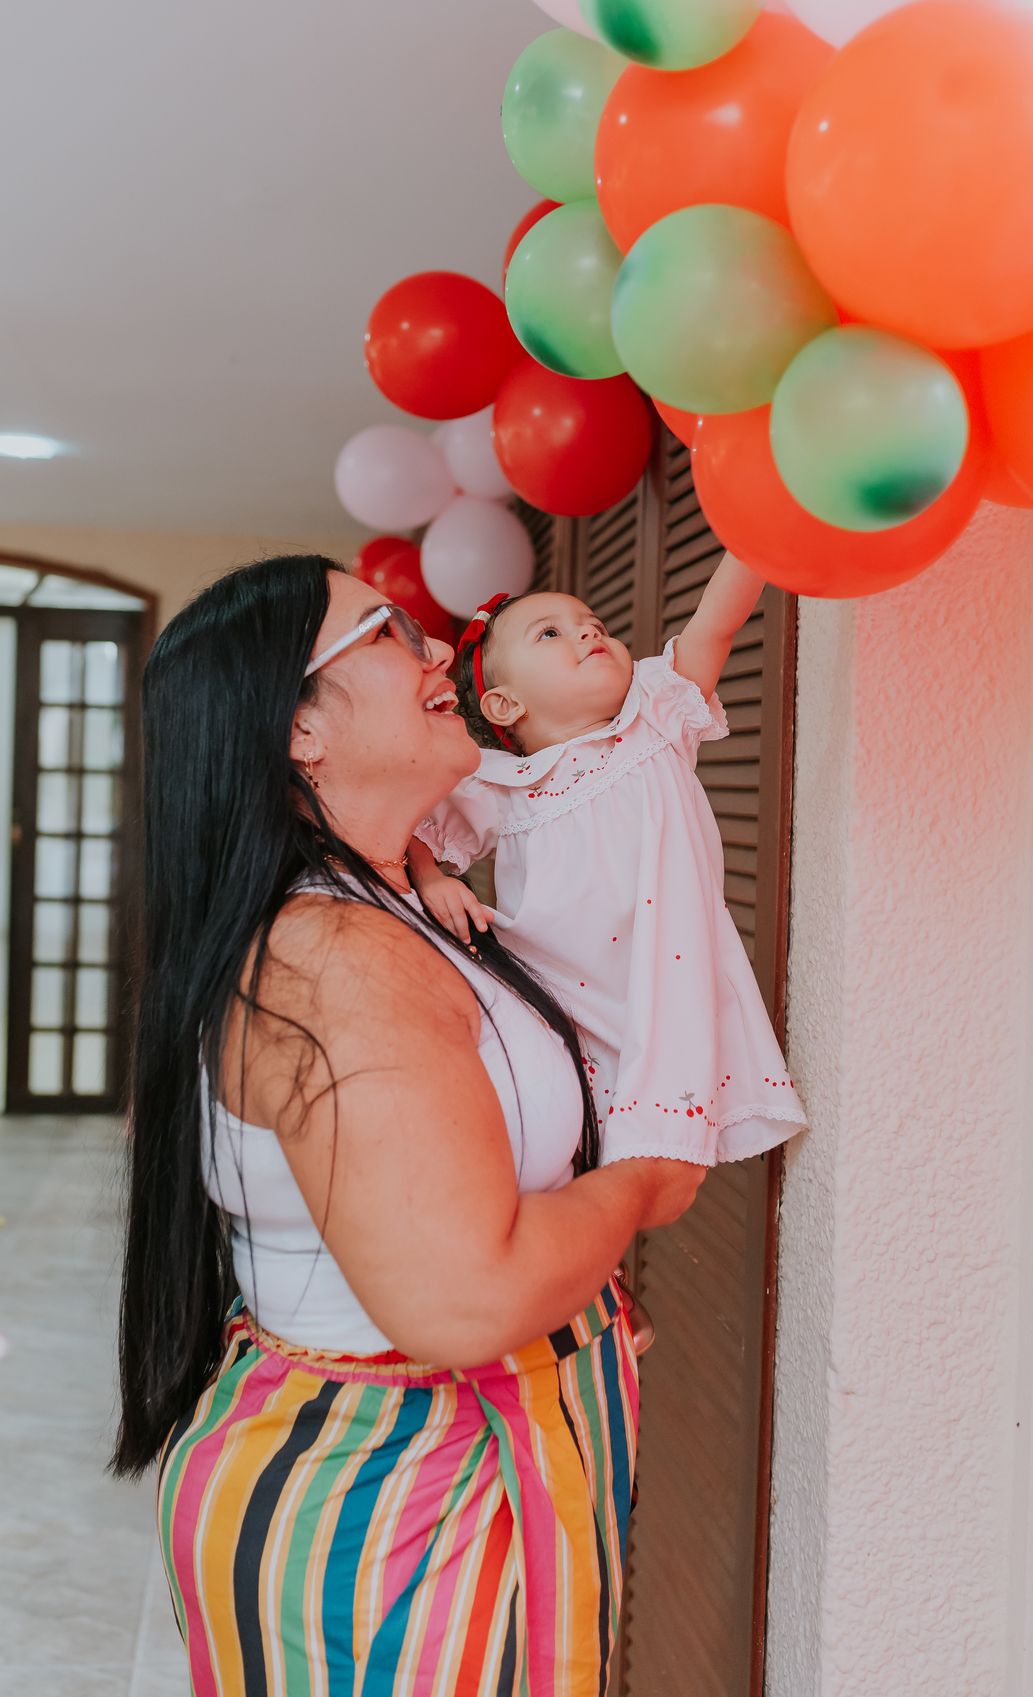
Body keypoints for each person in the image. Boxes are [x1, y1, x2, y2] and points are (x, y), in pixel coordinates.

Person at [113, 555, 702, 1697]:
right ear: (299, 729)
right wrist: (643, 1180)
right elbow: (461, 1301)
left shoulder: (396, 900)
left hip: (415, 1483)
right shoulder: (335, 958)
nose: (438, 650)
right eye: (388, 632)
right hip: (385, 1517)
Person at [407, 556, 808, 1168]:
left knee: (653, 1155)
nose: (588, 632)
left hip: (663, 984)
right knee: (565, 1147)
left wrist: (753, 542)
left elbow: (714, 627)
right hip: (558, 999)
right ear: (504, 705)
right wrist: (430, 878)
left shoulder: (656, 719)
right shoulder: (502, 786)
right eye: (551, 633)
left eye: (593, 623)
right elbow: (414, 823)